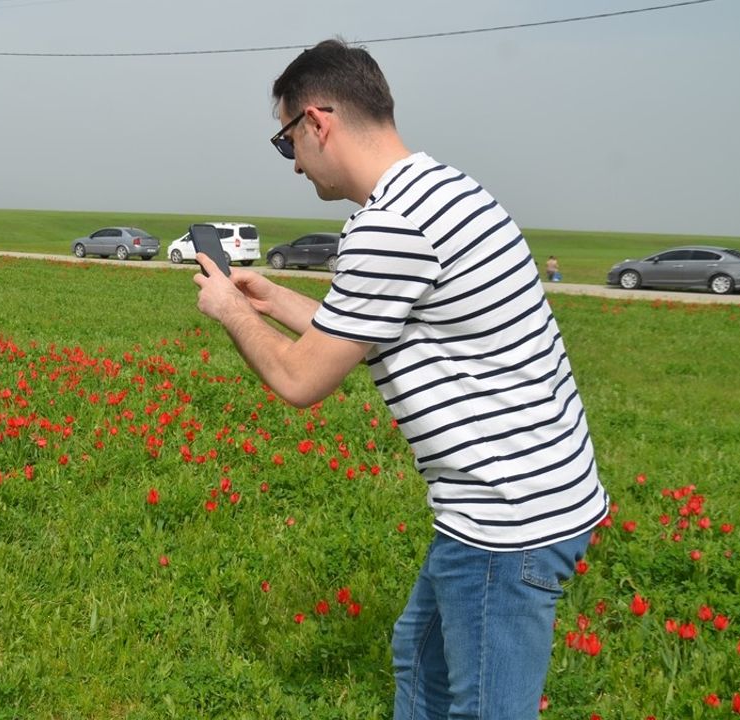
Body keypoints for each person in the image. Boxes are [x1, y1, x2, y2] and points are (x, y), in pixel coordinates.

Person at [193, 39, 608, 718]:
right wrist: (270, 298)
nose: (293, 163)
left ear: (316, 122)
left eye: (286, 141)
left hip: (505, 518)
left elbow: (300, 380)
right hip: (537, 493)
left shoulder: (390, 225)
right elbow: (373, 329)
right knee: (418, 657)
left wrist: (230, 311)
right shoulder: (443, 189)